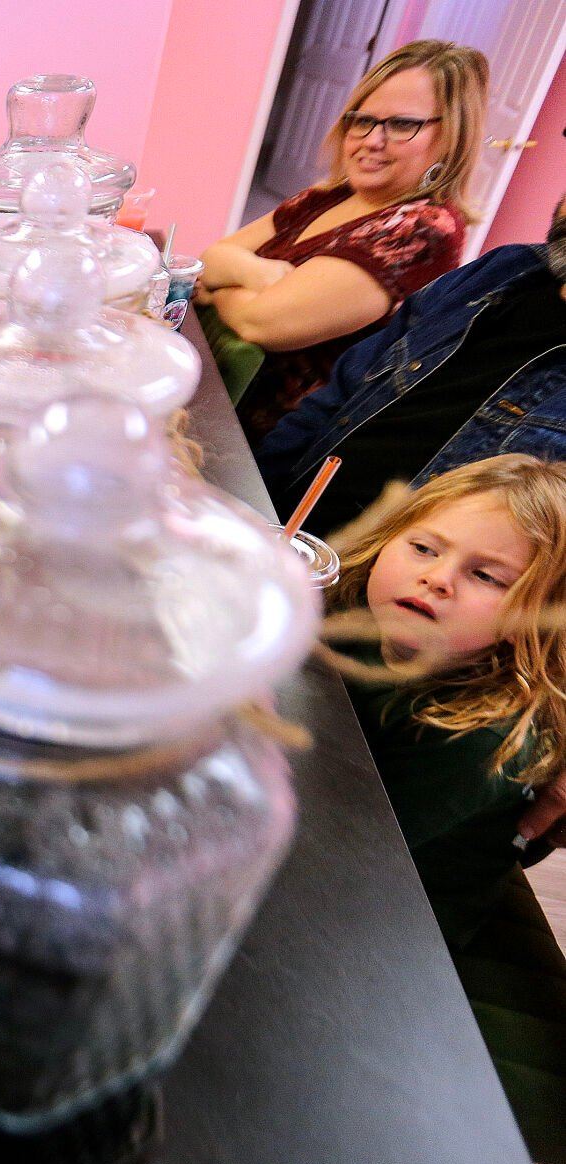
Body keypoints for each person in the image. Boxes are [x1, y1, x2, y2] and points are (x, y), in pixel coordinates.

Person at [323, 455, 566, 949]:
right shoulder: (359, 606)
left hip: (383, 926)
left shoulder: (477, 743)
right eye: (423, 547)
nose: (437, 578)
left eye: (487, 576)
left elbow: (336, 857)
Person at [198, 39, 487, 443]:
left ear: (452, 136)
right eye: (362, 119)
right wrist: (259, 275)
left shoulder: (422, 229)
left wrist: (217, 290)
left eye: (403, 124)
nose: (371, 139)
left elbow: (259, 324)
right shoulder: (330, 193)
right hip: (213, 396)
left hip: (261, 446)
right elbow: (209, 258)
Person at [257, 190, 566, 538]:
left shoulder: (427, 230)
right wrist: (253, 495)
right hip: (284, 522)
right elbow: (341, 392)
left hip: (384, 581)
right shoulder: (502, 271)